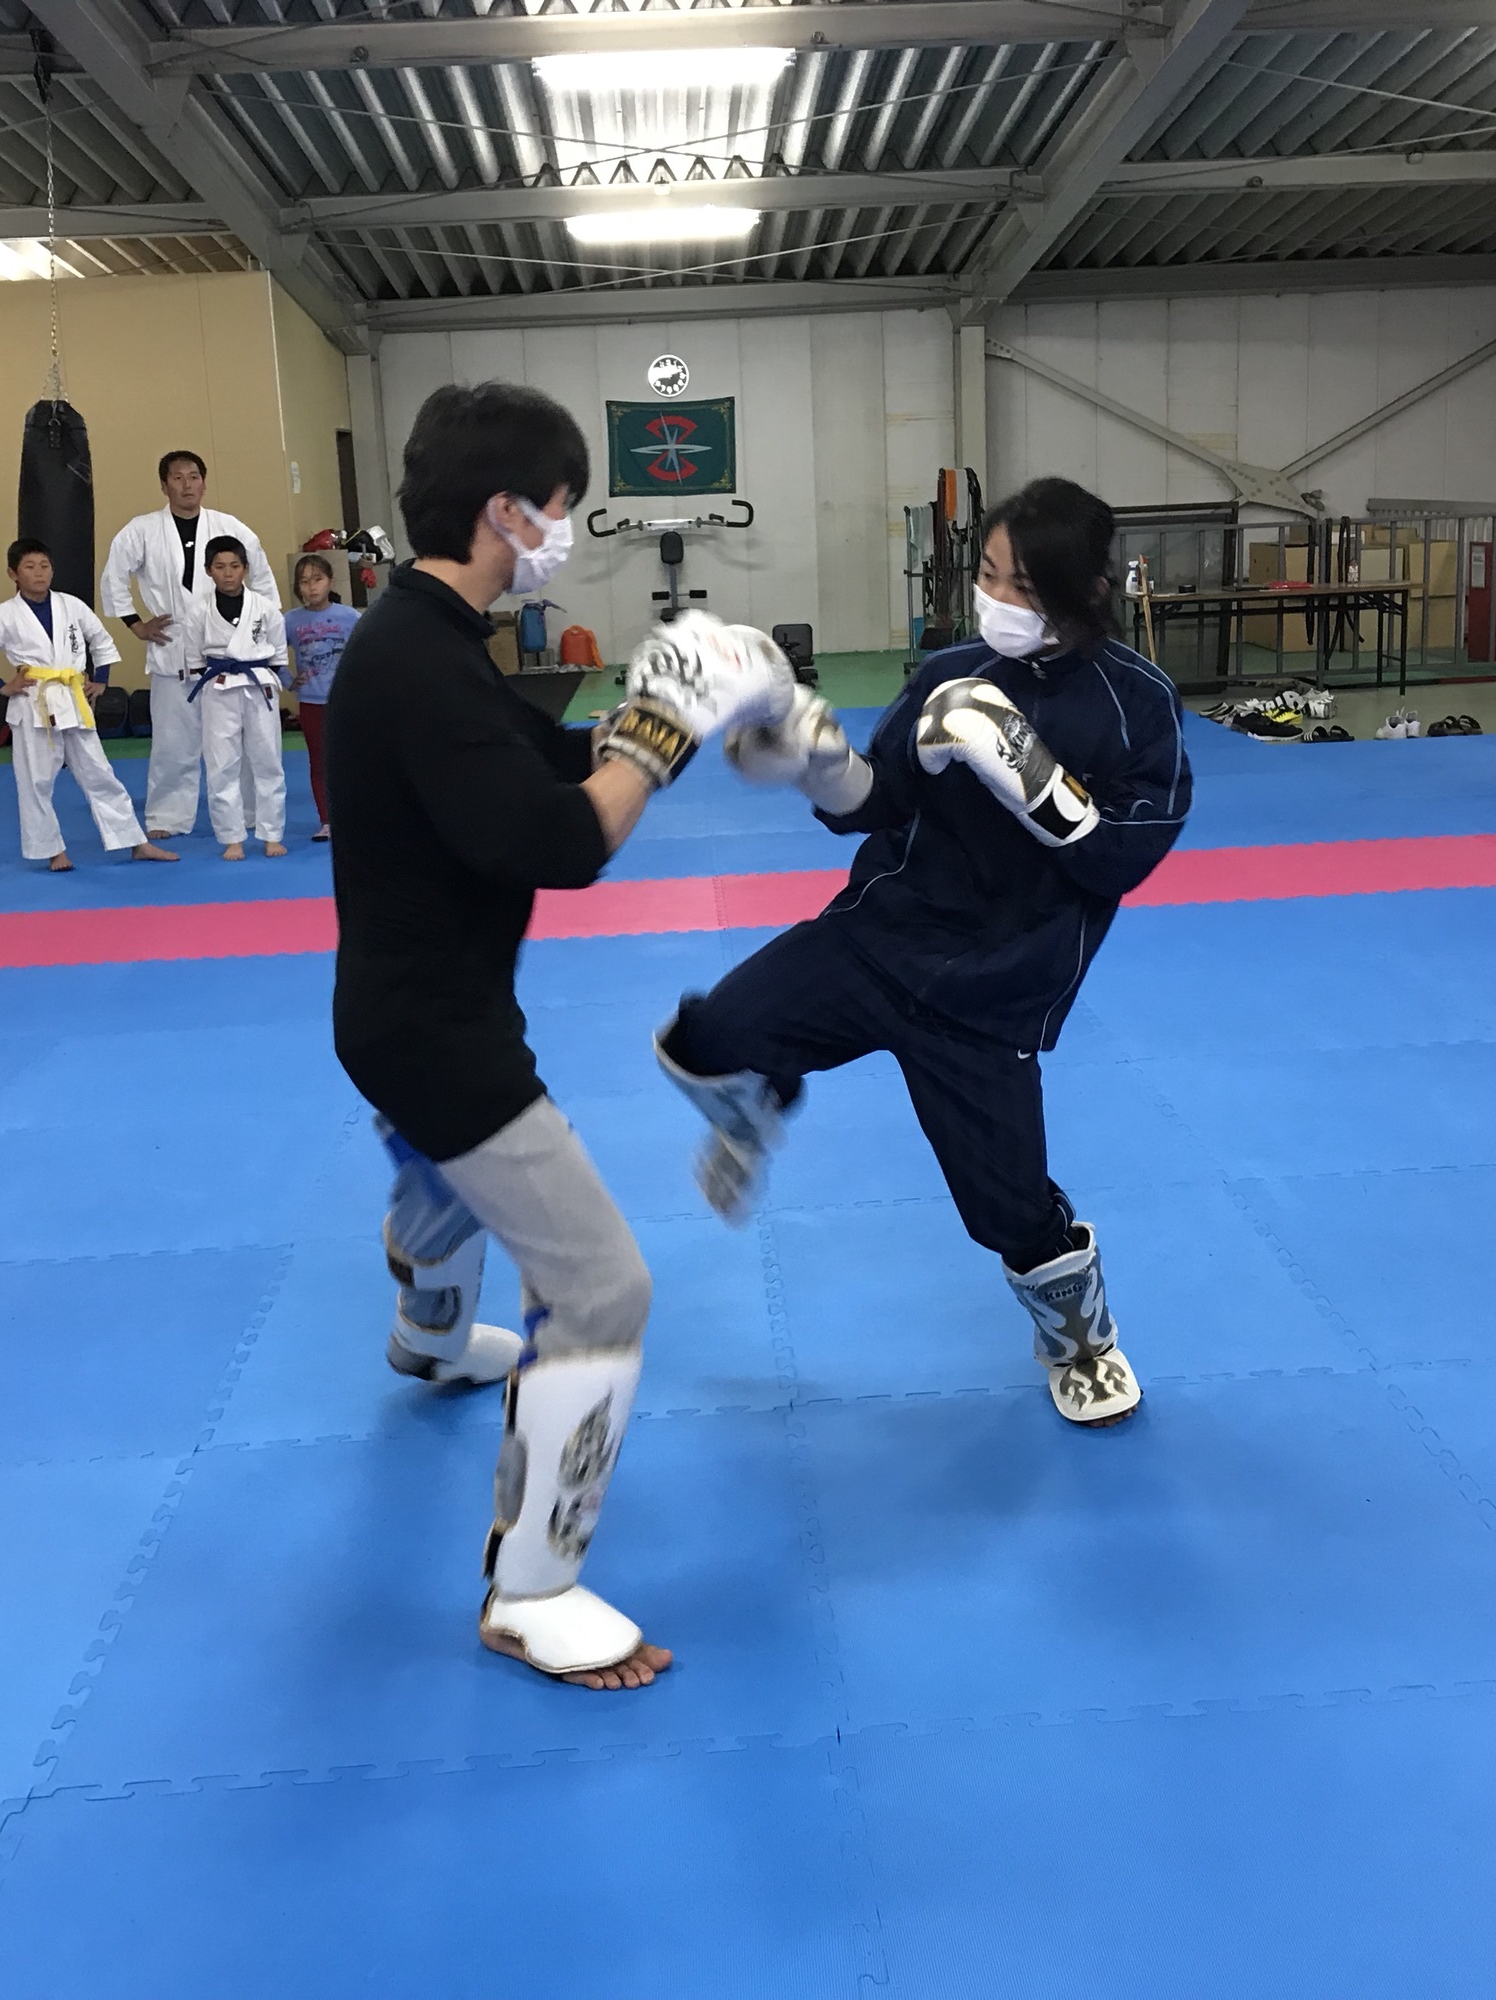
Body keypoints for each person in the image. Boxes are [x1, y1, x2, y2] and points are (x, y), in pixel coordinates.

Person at [327, 381, 792, 1690]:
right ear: (504, 512)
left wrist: (668, 713)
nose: (566, 532)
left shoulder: (424, 634)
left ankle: (428, 1334)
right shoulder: (419, 663)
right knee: (601, 1290)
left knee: (448, 1166)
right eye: (560, 507)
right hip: (436, 1031)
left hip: (404, 1011)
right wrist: (664, 724)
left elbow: (537, 761)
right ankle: (530, 1590)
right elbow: (560, 838)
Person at [656, 476, 1192, 1428]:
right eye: (988, 574)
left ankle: (1081, 1344)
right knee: (707, 1038)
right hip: (878, 938)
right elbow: (878, 802)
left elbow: (1122, 857)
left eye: (1023, 584)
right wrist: (813, 763)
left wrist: (1022, 766)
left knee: (1009, 1210)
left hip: (995, 989)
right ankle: (758, 1103)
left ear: (1084, 590)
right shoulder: (951, 672)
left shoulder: (1135, 704)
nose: (998, 599)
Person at [0, 538, 178, 873]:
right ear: (13, 574)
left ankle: (136, 842)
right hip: (33, 703)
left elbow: (101, 640)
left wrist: (101, 679)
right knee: (36, 781)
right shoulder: (3, 615)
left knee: (101, 774)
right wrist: (3, 687)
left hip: (73, 700)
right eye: (29, 567)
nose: (39, 573)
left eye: (44, 566)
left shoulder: (71, 605)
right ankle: (52, 851)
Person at [101, 450, 279, 841]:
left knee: (239, 740)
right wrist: (135, 624)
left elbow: (263, 581)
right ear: (164, 485)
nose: (187, 485)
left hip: (229, 652)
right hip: (173, 645)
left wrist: (258, 636)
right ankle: (168, 815)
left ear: (204, 482)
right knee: (172, 741)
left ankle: (247, 813)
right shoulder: (142, 530)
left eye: (194, 476)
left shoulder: (230, 526)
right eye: (178, 477)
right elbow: (114, 577)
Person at [189, 537, 287, 861]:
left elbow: (279, 655)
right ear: (208, 571)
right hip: (218, 687)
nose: (228, 573)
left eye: (234, 566)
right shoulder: (198, 610)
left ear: (245, 568)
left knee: (268, 759)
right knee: (221, 764)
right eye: (219, 567)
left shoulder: (265, 607)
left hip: (259, 685)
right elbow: (193, 659)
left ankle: (272, 834)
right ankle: (232, 837)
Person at [284, 553, 359, 841]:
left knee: (351, 760)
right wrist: (288, 680)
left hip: (345, 703)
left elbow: (367, 652)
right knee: (319, 762)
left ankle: (356, 816)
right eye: (304, 582)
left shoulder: (349, 617)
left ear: (330, 581)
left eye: (317, 579)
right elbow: (271, 654)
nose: (311, 587)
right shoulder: (291, 621)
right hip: (311, 703)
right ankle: (327, 820)